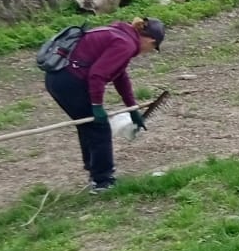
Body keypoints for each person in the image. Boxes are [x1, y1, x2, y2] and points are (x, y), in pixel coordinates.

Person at [43, 16, 164, 193]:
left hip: (58, 78)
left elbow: (120, 76)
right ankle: (103, 182)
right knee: (98, 128)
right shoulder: (125, 44)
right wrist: (97, 105)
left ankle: (95, 173)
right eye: (153, 48)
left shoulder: (122, 36)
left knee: (88, 126)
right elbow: (97, 75)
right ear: (151, 40)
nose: (148, 51)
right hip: (69, 81)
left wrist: (133, 109)